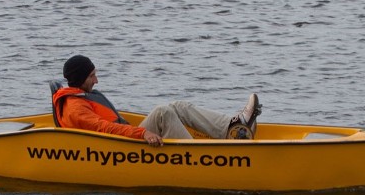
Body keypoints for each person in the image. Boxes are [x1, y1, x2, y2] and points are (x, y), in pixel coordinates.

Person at [52, 55, 262, 147]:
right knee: (164, 112)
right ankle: (201, 158)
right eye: (92, 76)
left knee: (177, 106)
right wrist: (143, 132)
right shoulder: (75, 108)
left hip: (125, 138)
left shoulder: (80, 96)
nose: (96, 80)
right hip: (122, 146)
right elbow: (106, 129)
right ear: (80, 79)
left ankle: (233, 127)